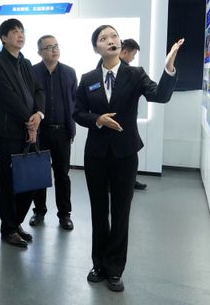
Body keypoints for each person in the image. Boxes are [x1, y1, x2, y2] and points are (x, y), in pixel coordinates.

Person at [73, 24, 183, 292]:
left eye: (114, 36)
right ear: (96, 48)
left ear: (120, 42)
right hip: (96, 155)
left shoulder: (135, 74)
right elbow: (77, 112)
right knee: (99, 211)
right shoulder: (88, 78)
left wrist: (169, 66)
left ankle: (114, 269)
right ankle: (98, 264)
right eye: (103, 38)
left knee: (121, 212)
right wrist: (97, 119)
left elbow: (161, 96)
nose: (110, 40)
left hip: (125, 154)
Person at [0, 18, 45, 248]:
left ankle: (16, 222)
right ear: (4, 38)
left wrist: (38, 114)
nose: (20, 35)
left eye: (22, 31)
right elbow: (8, 98)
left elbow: (38, 90)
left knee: (30, 181)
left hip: (30, 129)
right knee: (9, 182)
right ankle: (8, 229)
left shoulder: (26, 63)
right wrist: (30, 123)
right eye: (14, 32)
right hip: (8, 132)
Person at [29, 35, 77, 230]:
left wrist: (71, 128)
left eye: (56, 46)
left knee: (62, 175)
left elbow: (74, 101)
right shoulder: (32, 72)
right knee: (39, 173)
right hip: (40, 132)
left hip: (62, 131)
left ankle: (64, 214)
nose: (54, 50)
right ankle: (39, 211)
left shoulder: (69, 72)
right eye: (49, 47)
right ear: (39, 52)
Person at [118, 38, 147, 190]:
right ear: (124, 52)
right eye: (133, 55)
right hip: (119, 124)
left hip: (127, 124)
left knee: (129, 154)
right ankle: (126, 181)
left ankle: (130, 179)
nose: (133, 58)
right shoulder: (104, 71)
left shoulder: (132, 72)